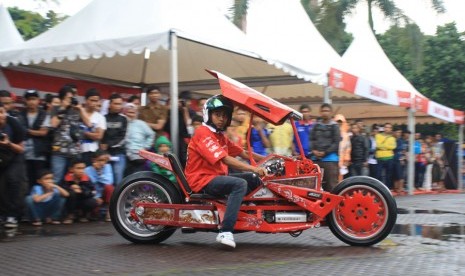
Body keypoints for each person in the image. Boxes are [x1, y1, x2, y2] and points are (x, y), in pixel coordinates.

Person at [185, 95, 267, 248]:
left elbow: (242, 152)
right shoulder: (203, 133)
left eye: (224, 115)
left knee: (254, 178)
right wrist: (253, 167)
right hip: (202, 180)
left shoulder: (219, 136)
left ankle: (246, 213)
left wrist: (269, 158)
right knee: (240, 184)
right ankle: (225, 231)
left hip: (215, 177)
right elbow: (225, 159)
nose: (221, 119)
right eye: (217, 115)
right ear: (208, 114)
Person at [50, 86, 91, 185]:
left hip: (75, 152)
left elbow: (89, 124)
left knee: (74, 180)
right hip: (59, 151)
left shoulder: (78, 109)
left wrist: (81, 109)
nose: (72, 99)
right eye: (69, 97)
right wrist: (63, 108)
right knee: (57, 179)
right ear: (62, 98)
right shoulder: (55, 108)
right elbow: (53, 124)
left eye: (73, 97)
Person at [0, 101, 27, 228]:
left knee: (13, 180)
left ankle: (12, 216)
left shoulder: (14, 124)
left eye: (1, 112)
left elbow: (21, 149)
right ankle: (2, 214)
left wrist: (9, 144)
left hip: (15, 155)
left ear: (5, 112)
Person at [18, 89, 50, 189]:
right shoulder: (20, 114)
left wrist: (27, 131)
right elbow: (18, 132)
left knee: (38, 181)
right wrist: (35, 132)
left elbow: (43, 132)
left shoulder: (44, 114)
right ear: (25, 101)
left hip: (39, 154)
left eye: (34, 99)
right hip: (23, 153)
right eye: (29, 99)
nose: (31, 102)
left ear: (38, 100)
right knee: (24, 181)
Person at [310, 103, 340, 192]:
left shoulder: (335, 126)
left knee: (331, 186)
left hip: (330, 160)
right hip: (316, 160)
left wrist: (325, 152)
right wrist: (314, 150)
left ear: (330, 112)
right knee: (315, 186)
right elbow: (311, 139)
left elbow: (336, 143)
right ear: (320, 112)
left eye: (327, 111)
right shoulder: (316, 125)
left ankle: (333, 205)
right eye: (323, 111)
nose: (325, 113)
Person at [101, 93, 127, 186]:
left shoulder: (123, 119)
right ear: (110, 104)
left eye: (120, 104)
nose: (118, 106)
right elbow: (101, 135)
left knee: (118, 179)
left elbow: (123, 137)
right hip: (104, 154)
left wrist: (108, 144)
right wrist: (103, 146)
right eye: (116, 103)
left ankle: (117, 200)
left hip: (119, 153)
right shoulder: (103, 118)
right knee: (106, 181)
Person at [62, 158, 98, 224]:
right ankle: (70, 215)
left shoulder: (86, 179)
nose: (81, 171)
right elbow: (63, 189)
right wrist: (71, 188)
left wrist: (81, 190)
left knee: (93, 202)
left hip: (82, 200)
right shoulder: (67, 178)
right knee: (71, 194)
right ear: (71, 169)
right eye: (78, 168)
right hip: (71, 202)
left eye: (83, 168)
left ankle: (83, 215)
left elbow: (93, 192)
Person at [124, 103, 155, 176]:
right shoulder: (123, 123)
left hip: (138, 156)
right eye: (129, 112)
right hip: (125, 156)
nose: (131, 115)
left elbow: (151, 134)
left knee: (137, 178)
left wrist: (145, 147)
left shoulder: (141, 124)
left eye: (133, 112)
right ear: (125, 113)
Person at [85, 150, 114, 222]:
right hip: (94, 195)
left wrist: (100, 173)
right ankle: (91, 213)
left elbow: (109, 181)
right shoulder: (87, 170)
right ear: (93, 160)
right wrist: (96, 197)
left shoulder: (108, 167)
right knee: (95, 214)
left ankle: (109, 211)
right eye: (100, 160)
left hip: (104, 194)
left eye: (104, 160)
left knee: (110, 188)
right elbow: (91, 184)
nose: (102, 163)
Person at [80, 88, 107, 166]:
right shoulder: (78, 112)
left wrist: (84, 133)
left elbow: (99, 136)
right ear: (85, 100)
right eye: (92, 100)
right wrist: (91, 134)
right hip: (75, 150)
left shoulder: (100, 117)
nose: (94, 103)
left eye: (96, 101)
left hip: (92, 151)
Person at [375, 123, 396, 190]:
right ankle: (378, 188)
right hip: (380, 158)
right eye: (386, 127)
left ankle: (387, 189)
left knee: (388, 175)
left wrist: (383, 146)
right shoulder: (378, 136)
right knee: (378, 175)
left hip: (389, 158)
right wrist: (387, 147)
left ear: (391, 129)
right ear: (384, 128)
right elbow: (377, 145)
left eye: (389, 127)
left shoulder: (392, 138)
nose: (387, 129)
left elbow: (393, 146)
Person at [334, 114, 351, 180]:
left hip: (341, 161)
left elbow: (348, 148)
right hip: (332, 159)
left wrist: (346, 160)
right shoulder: (331, 132)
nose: (339, 124)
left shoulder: (346, 136)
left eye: (340, 122)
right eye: (337, 122)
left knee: (340, 179)